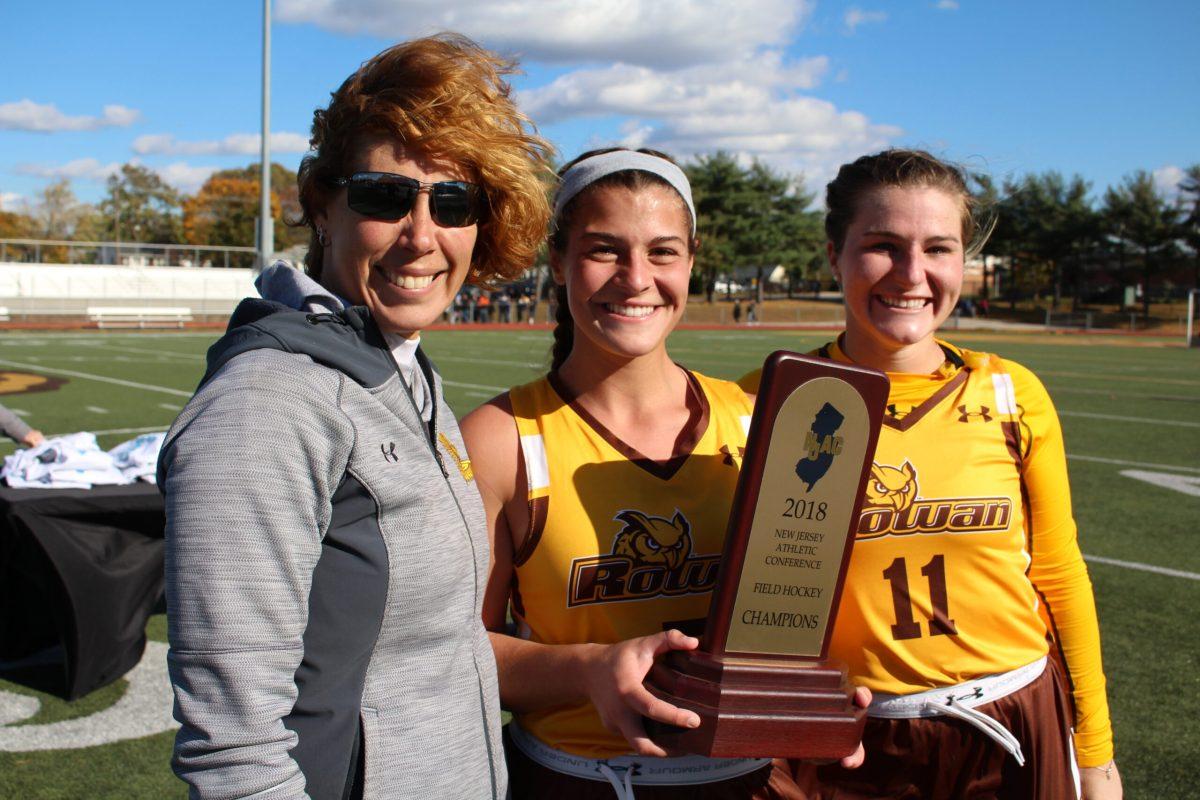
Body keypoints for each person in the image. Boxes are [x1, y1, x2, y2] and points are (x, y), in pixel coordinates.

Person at [157, 34, 552, 800]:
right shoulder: (265, 405)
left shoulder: (399, 362)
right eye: (382, 196)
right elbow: (234, 751)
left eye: (453, 203)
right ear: (322, 203)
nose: (422, 236)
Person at [461, 148, 865, 799]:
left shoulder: (759, 419)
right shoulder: (501, 439)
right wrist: (591, 671)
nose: (636, 277)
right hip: (580, 780)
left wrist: (821, 689)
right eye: (604, 250)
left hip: (755, 779)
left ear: (692, 261)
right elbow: (459, 651)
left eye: (662, 252)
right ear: (558, 260)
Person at [740, 149, 1120, 799]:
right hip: (852, 744)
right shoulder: (767, 403)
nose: (912, 274)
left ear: (962, 262)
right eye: (883, 245)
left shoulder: (1010, 393)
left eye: (939, 248)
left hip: (1014, 720)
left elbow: (1058, 574)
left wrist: (1095, 754)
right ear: (834, 254)